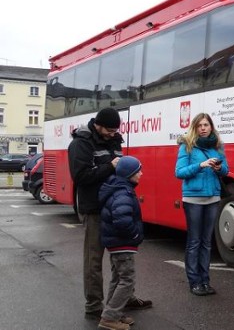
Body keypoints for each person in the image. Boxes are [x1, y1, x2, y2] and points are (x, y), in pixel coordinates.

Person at [67, 107, 152, 320]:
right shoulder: (81, 143)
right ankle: (94, 306)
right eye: (110, 130)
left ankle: (123, 299)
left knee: (121, 258)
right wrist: (110, 166)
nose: (113, 134)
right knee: (94, 261)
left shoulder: (114, 139)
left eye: (116, 130)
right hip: (94, 209)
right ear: (98, 125)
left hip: (114, 206)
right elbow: (81, 176)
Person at [175, 113, 229, 296]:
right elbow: (179, 172)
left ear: (211, 127)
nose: (203, 128)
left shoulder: (218, 147)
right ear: (194, 128)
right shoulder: (187, 146)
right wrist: (201, 165)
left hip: (213, 197)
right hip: (193, 199)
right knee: (194, 242)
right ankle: (194, 282)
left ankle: (205, 281)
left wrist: (218, 167)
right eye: (200, 125)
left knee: (207, 243)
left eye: (206, 125)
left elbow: (226, 170)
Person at [97, 156, 144, 330]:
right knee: (127, 281)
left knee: (117, 279)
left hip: (117, 244)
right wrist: (135, 234)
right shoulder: (123, 193)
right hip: (123, 244)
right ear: (129, 174)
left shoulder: (119, 188)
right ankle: (109, 318)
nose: (141, 173)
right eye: (138, 170)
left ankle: (113, 312)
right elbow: (122, 221)